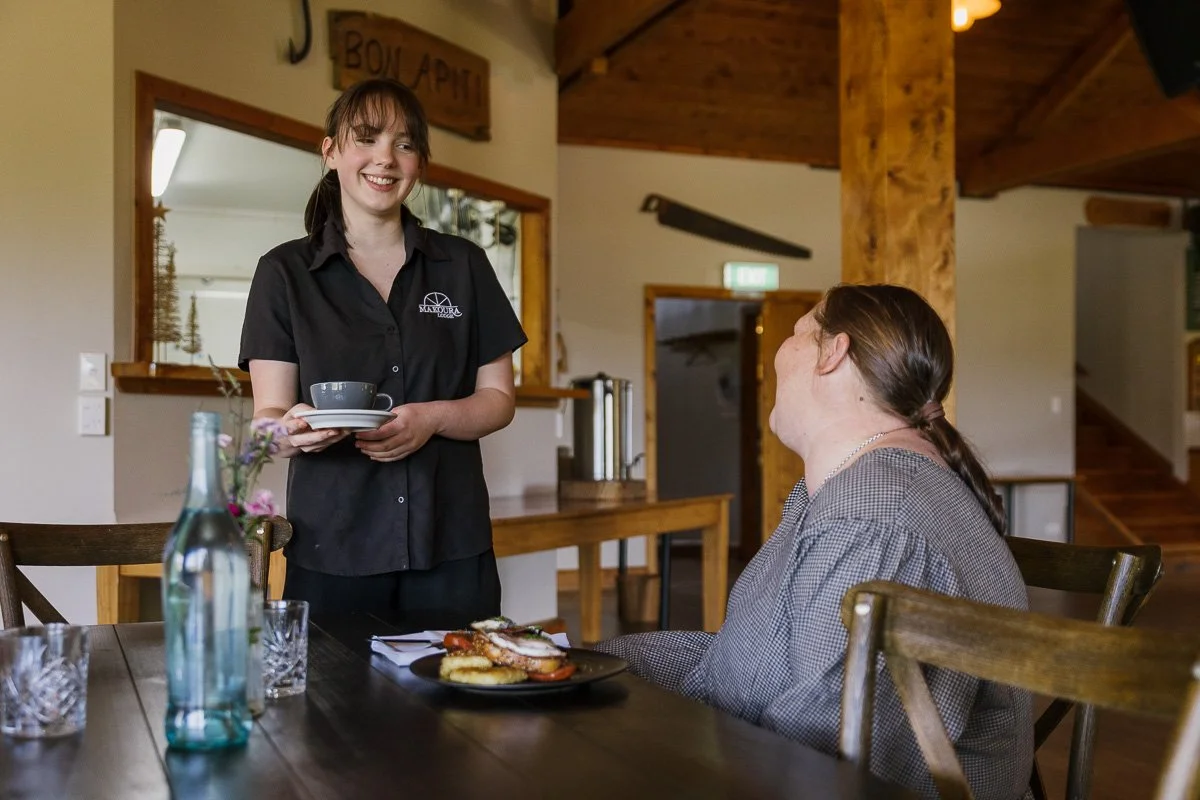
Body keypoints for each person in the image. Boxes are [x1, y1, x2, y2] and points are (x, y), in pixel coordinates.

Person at [594, 284, 1032, 800]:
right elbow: (753, 658)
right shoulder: (853, 491)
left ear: (834, 352)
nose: (780, 352)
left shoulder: (873, 519)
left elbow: (819, 752)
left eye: (796, 332)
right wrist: (596, 660)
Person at [239, 78, 527, 628]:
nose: (385, 158)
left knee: (459, 684)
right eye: (367, 139)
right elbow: (267, 421)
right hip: (331, 547)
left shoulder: (464, 266)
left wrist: (431, 418)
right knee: (332, 688)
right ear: (331, 152)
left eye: (404, 144)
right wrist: (293, 431)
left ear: (419, 163)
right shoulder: (284, 273)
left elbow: (498, 400)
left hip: (451, 542)